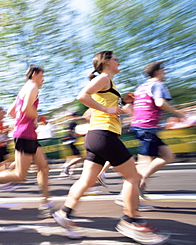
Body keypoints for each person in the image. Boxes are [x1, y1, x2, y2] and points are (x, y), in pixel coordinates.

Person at [52, 51, 169, 244]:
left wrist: (123, 103)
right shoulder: (104, 78)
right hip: (103, 135)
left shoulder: (109, 84)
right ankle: (131, 221)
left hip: (96, 136)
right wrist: (108, 109)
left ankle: (64, 213)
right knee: (133, 176)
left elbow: (97, 110)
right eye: (115, 58)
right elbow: (82, 96)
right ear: (106, 62)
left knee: (87, 180)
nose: (118, 61)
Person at [0, 65, 52, 217]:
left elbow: (11, 112)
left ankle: (46, 202)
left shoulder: (24, 88)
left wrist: (25, 120)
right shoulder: (33, 86)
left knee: (44, 168)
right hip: (25, 135)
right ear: (34, 74)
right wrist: (38, 118)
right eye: (42, 75)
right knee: (20, 175)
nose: (43, 79)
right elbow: (27, 108)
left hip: (28, 134)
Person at [130, 62, 184, 195]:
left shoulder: (141, 87)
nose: (165, 73)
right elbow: (160, 102)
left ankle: (139, 182)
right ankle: (130, 193)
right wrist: (177, 112)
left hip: (139, 126)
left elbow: (133, 105)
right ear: (158, 71)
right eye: (164, 70)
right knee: (145, 163)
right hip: (147, 127)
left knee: (168, 156)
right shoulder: (158, 84)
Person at [59, 112, 84, 177]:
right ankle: (66, 166)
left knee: (72, 157)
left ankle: (66, 171)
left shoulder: (68, 123)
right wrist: (76, 135)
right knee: (79, 156)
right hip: (70, 141)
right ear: (74, 116)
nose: (78, 118)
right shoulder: (72, 123)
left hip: (67, 141)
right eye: (77, 116)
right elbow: (70, 131)